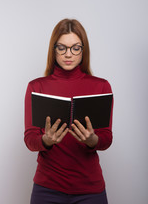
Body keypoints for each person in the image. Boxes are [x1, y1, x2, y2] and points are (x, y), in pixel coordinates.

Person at [24, 18, 113, 204]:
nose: (68, 54)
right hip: (47, 188)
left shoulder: (101, 86)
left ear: (83, 49)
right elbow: (30, 139)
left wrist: (92, 140)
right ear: (54, 49)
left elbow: (106, 138)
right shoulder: (36, 87)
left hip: (90, 188)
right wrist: (46, 141)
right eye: (62, 47)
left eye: (75, 47)